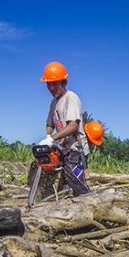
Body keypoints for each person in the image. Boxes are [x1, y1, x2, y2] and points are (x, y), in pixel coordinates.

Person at [34, 61, 91, 196]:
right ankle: (57, 197)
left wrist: (52, 138)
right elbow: (50, 124)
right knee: (54, 174)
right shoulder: (54, 102)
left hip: (75, 149)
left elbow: (73, 126)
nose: (51, 87)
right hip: (62, 147)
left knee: (75, 178)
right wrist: (48, 139)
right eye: (49, 84)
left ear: (64, 83)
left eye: (55, 84)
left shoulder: (71, 97)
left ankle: (87, 200)